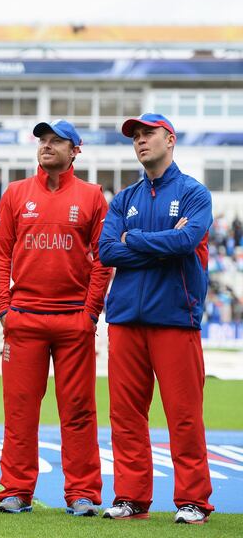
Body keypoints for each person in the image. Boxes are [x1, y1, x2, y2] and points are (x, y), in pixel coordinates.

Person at [0, 120, 112, 516]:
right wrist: (4, 308)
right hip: (23, 320)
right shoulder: (15, 193)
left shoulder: (93, 196)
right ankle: (15, 490)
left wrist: (90, 312)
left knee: (78, 411)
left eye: (56, 140)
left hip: (73, 321)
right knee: (20, 411)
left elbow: (102, 260)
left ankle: (82, 493)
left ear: (75, 150)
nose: (46, 146)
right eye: (42, 140)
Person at [98, 113, 214, 524]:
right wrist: (158, 245)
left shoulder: (195, 193)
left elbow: (186, 241)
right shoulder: (124, 199)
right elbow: (107, 250)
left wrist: (135, 240)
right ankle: (131, 497)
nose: (141, 141)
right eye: (136, 136)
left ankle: (193, 500)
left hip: (174, 319)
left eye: (149, 134)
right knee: (126, 415)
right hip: (126, 318)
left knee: (183, 414)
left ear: (171, 139)